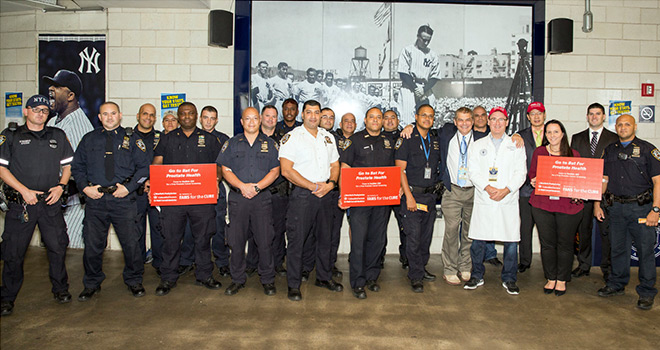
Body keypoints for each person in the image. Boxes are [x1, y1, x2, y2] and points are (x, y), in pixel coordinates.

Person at [0, 95, 74, 316]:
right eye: (35, 109)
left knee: (58, 248)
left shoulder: (57, 135)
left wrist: (61, 186)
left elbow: (68, 166)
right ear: (26, 111)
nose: (40, 113)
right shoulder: (11, 135)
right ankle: (7, 298)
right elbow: (2, 169)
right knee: (13, 253)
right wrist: (24, 191)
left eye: (44, 110)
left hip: (50, 204)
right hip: (21, 205)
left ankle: (60, 289)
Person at [71, 101, 149, 301]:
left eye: (113, 113)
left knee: (131, 244)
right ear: (99, 117)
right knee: (93, 245)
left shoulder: (132, 139)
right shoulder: (88, 139)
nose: (109, 117)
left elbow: (144, 168)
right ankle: (92, 283)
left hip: (123, 200)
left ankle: (134, 280)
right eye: (105, 114)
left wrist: (128, 188)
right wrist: (85, 188)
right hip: (96, 200)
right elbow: (77, 168)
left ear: (120, 115)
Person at [151, 102, 223, 296]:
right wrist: (154, 183)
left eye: (190, 113)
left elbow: (219, 165)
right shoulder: (167, 139)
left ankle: (204, 275)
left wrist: (216, 180)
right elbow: (158, 162)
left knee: (202, 239)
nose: (186, 117)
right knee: (171, 239)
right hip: (174, 200)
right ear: (179, 116)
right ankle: (168, 278)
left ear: (196, 116)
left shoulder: (209, 139)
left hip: (201, 199)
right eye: (183, 114)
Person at [279, 99, 342, 301]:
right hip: (303, 196)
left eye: (317, 113)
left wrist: (331, 183)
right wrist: (312, 186)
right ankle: (294, 284)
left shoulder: (328, 137)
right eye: (309, 112)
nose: (313, 116)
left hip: (326, 193)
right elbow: (287, 170)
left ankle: (323, 277)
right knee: (297, 241)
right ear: (302, 115)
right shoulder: (292, 137)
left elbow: (335, 165)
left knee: (326, 238)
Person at [595, 114, 659, 310]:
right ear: (615, 127)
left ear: (635, 127)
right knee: (618, 248)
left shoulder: (649, 150)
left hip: (641, 208)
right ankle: (616, 283)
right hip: (615, 208)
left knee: (645, 251)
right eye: (620, 125)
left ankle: (647, 291)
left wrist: (656, 209)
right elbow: (603, 179)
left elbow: (658, 182)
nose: (623, 128)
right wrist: (598, 204)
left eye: (627, 124)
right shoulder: (609, 150)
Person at [217, 107, 280, 296]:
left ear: (260, 120)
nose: (251, 122)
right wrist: (242, 187)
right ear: (242, 122)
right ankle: (237, 279)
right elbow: (225, 169)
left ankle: (267, 279)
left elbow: (275, 171)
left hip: (262, 199)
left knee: (265, 240)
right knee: (236, 241)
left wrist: (257, 187)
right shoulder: (232, 143)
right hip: (238, 199)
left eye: (255, 119)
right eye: (247, 119)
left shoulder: (270, 144)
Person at [464, 107, 526, 295]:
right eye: (494, 119)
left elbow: (520, 172)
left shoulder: (516, 144)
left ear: (507, 122)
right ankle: (477, 275)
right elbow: (472, 171)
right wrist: (488, 188)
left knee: (510, 243)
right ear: (488, 122)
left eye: (501, 119)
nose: (497, 123)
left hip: (507, 199)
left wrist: (506, 190)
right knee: (478, 241)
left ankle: (509, 278)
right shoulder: (477, 145)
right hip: (485, 198)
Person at [340, 107, 395, 299]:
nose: (375, 120)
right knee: (359, 241)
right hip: (360, 201)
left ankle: (372, 277)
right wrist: (344, 195)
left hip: (382, 200)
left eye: (379, 117)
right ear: (365, 120)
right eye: (372, 117)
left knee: (377, 240)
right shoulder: (354, 140)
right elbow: (345, 168)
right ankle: (358, 282)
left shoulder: (388, 142)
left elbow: (394, 169)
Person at [528, 120, 583, 296]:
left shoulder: (573, 154)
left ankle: (562, 279)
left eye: (556, 132)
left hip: (568, 207)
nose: (552, 136)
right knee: (547, 244)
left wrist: (578, 191)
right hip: (542, 205)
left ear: (563, 134)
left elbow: (580, 180)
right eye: (549, 132)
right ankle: (551, 277)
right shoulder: (540, 152)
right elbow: (532, 173)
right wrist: (533, 180)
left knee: (565, 244)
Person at [43, 69, 94, 249]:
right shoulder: (53, 120)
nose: (51, 88)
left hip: (72, 204)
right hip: (53, 201)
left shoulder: (80, 125)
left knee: (71, 252)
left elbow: (80, 168)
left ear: (70, 95)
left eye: (57, 86)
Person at [178, 106, 231, 277]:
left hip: (216, 188)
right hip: (193, 190)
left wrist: (215, 180)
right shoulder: (190, 137)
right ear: (200, 118)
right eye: (206, 117)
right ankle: (187, 260)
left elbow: (225, 166)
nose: (208, 121)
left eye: (212, 118)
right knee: (189, 228)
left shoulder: (223, 139)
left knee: (218, 227)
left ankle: (222, 261)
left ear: (216, 120)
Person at [395, 104, 441, 293]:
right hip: (412, 195)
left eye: (431, 116)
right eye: (424, 115)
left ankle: (421, 269)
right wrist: (408, 196)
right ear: (416, 116)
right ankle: (415, 276)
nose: (427, 119)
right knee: (413, 237)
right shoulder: (406, 138)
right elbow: (400, 170)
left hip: (430, 196)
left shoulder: (435, 139)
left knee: (425, 238)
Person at [439, 107, 488, 285]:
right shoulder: (446, 134)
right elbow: (424, 125)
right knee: (451, 231)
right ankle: (449, 268)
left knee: (469, 232)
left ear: (473, 121)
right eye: (461, 120)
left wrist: (517, 136)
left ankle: (465, 266)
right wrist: (410, 127)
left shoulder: (483, 139)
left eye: (468, 120)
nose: (464, 123)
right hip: (453, 190)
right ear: (455, 121)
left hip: (475, 191)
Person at [570, 102, 618, 281]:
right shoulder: (577, 138)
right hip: (582, 193)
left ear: (604, 116)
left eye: (598, 114)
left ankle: (607, 267)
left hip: (605, 194)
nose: (594, 116)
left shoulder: (613, 138)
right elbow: (573, 165)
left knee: (606, 232)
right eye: (591, 114)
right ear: (587, 116)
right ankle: (583, 265)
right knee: (583, 231)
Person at [516, 101, 546, 273]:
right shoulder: (520, 135)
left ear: (544, 115)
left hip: (547, 191)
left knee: (546, 229)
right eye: (532, 114)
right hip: (526, 190)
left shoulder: (553, 133)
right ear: (528, 117)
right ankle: (525, 261)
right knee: (525, 227)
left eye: (539, 113)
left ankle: (548, 261)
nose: (536, 116)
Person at [133, 103, 164, 274]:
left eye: (152, 115)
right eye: (145, 114)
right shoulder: (127, 137)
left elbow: (164, 163)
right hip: (134, 192)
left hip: (156, 190)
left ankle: (159, 264)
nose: (148, 118)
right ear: (138, 116)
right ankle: (137, 265)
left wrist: (152, 180)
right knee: (136, 231)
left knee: (159, 229)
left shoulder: (161, 138)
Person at [470, 105, 500, 266]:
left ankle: (490, 254)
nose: (480, 118)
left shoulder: (495, 137)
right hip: (470, 185)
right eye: (477, 115)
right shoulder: (467, 135)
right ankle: (472, 256)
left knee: (490, 220)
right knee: (471, 224)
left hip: (491, 186)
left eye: (483, 115)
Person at [397, 25, 440, 126]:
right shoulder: (407, 50)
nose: (426, 43)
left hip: (425, 87)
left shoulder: (432, 54)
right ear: (418, 36)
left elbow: (435, 77)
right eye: (424, 39)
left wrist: (423, 90)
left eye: (428, 40)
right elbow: (403, 73)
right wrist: (415, 88)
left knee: (428, 119)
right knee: (407, 119)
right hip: (409, 86)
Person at [382, 109, 407, 269]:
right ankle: (377, 258)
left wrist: (403, 187)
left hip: (401, 189)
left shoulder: (406, 136)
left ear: (398, 120)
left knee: (406, 227)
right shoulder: (376, 137)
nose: (390, 121)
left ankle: (406, 258)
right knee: (378, 228)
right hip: (382, 189)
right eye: (386, 118)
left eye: (393, 118)